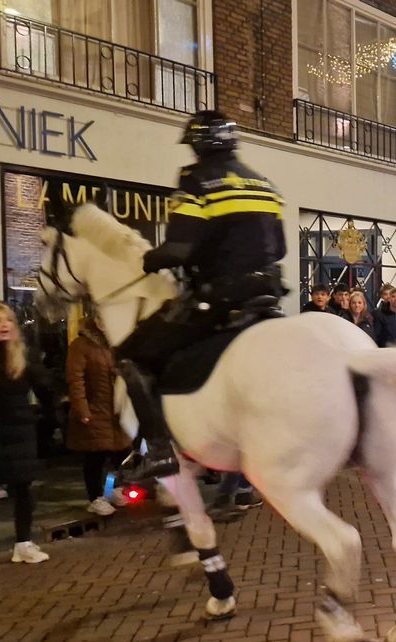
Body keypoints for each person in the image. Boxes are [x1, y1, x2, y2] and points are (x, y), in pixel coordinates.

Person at [113, 110, 286, 482]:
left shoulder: (196, 181)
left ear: (197, 146)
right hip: (267, 294)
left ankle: (158, 450)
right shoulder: (263, 184)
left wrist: (150, 258)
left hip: (220, 297)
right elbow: (282, 248)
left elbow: (179, 250)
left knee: (130, 355)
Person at [0, 302, 56, 564]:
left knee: (23, 488)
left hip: (19, 432)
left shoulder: (24, 356)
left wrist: (50, 420)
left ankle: (23, 543)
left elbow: (46, 391)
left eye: (8, 320)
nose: (4, 325)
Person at [66, 315, 130, 517]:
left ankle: (111, 490)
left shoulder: (116, 343)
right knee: (96, 456)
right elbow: (76, 380)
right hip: (95, 410)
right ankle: (95, 497)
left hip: (117, 410)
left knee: (121, 454)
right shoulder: (81, 345)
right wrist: (82, 409)